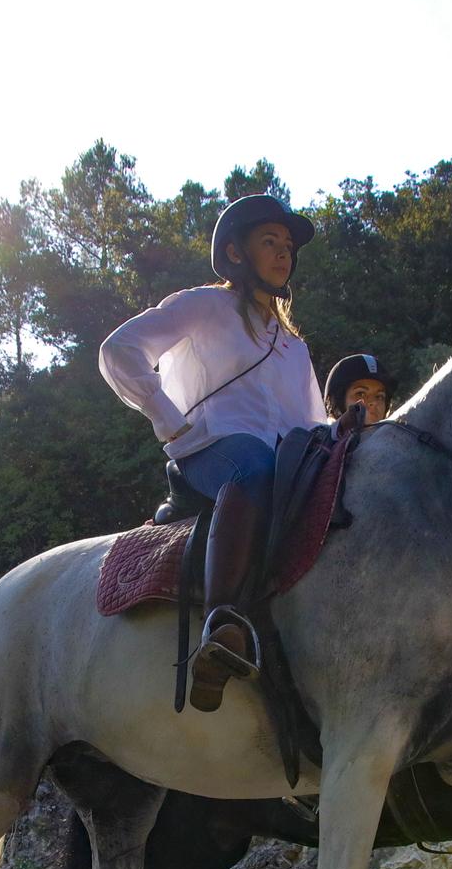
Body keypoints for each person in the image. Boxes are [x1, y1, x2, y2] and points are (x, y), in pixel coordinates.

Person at [99, 193, 325, 711]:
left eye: (288, 245)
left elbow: (314, 423)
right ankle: (220, 624)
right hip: (212, 454)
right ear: (237, 253)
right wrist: (168, 420)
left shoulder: (295, 346)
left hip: (282, 467)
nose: (284, 252)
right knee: (253, 463)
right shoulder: (204, 305)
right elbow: (119, 351)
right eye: (270, 241)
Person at [323, 352, 396, 424]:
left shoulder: (401, 434)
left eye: (379, 397)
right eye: (360, 394)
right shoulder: (316, 435)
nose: (373, 402)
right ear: (337, 404)